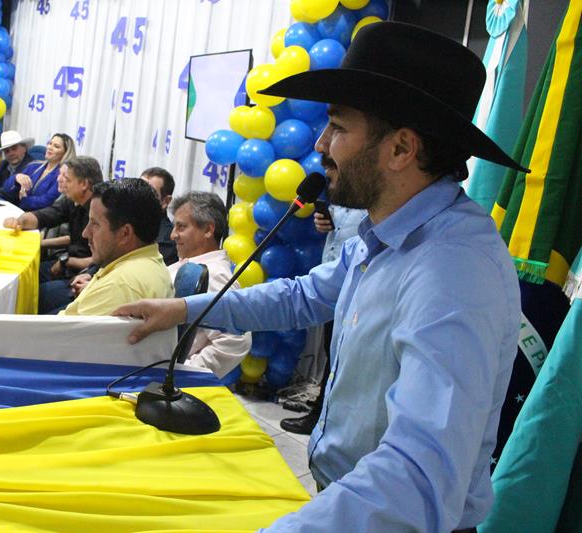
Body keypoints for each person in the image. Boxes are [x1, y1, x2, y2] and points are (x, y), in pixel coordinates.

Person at [114, 22, 526, 532]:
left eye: (337, 126)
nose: (319, 141)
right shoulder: (388, 234)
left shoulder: (453, 273)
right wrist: (182, 309)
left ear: (401, 149)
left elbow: (417, 477)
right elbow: (303, 296)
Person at [279, 205, 366, 434]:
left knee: (348, 356)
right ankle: (322, 416)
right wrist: (322, 220)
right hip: (334, 285)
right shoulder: (343, 200)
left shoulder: (375, 197)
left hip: (362, 286)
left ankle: (329, 419)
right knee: (331, 351)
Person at [167, 191, 251, 378]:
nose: (173, 235)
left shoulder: (214, 274)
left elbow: (235, 341)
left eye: (181, 227)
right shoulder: (187, 263)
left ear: (208, 230)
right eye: (174, 227)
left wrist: (182, 372)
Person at [2, 156, 102, 314]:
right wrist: (19, 221)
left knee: (36, 290)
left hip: (86, 275)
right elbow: (45, 215)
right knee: (23, 274)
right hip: (68, 263)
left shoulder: (101, 211)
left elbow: (102, 260)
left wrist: (67, 262)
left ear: (84, 184)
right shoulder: (72, 200)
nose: (60, 180)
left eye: (66, 179)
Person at [60, 178, 172, 316]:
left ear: (125, 233)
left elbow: (61, 337)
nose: (85, 233)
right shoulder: (146, 262)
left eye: (95, 224)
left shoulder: (119, 285)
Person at [0, 133, 75, 210]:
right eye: (50, 143)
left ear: (66, 153)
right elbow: (6, 189)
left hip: (40, 218)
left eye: (56, 146)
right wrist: (16, 177)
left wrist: (24, 200)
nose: (50, 147)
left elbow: (47, 201)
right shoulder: (33, 166)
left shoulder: (62, 175)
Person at [140, 167, 178, 265]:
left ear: (166, 201)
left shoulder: (166, 241)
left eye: (149, 193)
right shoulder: (126, 222)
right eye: (138, 189)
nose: (139, 196)